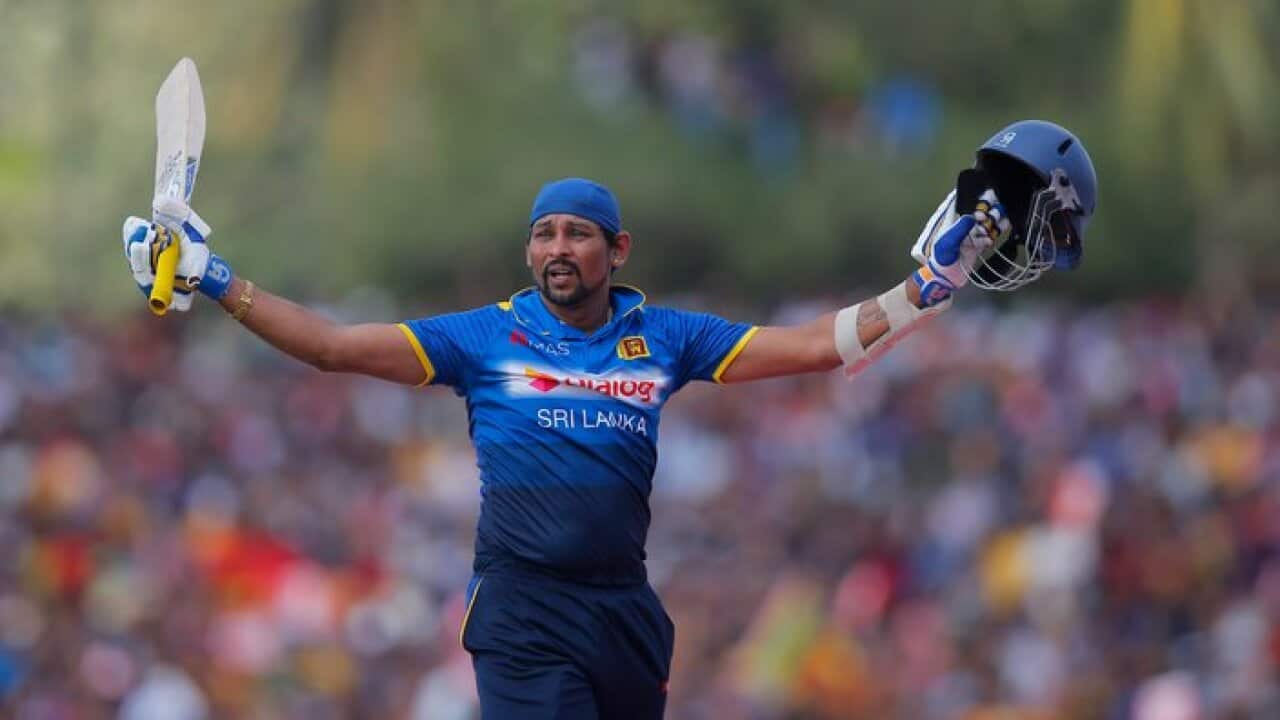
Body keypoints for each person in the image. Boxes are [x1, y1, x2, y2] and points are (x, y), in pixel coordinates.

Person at [121, 119, 1096, 719]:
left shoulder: (664, 336)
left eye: (576, 234)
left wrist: (923, 290)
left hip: (624, 612)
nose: (556, 248)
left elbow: (812, 348)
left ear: (614, 249)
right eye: (542, 232)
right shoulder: (481, 339)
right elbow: (333, 345)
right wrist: (214, 278)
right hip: (522, 607)